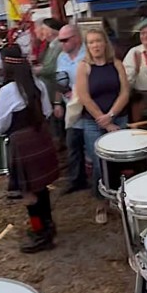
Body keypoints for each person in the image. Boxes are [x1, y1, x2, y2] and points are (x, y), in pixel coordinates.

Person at [0, 45, 59, 253]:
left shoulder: (6, 91)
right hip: (40, 137)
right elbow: (47, 111)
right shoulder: (37, 84)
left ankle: (40, 233)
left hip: (21, 143)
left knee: (29, 194)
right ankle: (48, 226)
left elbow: (1, 125)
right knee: (41, 188)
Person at [76, 27, 130, 224]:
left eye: (98, 41)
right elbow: (84, 96)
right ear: (87, 46)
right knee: (100, 164)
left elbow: (125, 92)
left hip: (118, 118)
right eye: (91, 42)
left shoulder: (116, 64)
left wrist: (112, 115)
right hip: (93, 122)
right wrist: (104, 120)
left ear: (105, 43)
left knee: (119, 162)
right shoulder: (83, 67)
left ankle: (119, 199)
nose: (95, 45)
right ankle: (101, 202)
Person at [55, 24, 87, 193]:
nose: (62, 44)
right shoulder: (62, 57)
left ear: (76, 38)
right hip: (72, 110)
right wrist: (57, 102)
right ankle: (76, 180)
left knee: (91, 145)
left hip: (89, 106)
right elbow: (59, 81)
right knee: (73, 145)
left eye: (65, 40)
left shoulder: (88, 54)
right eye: (60, 40)